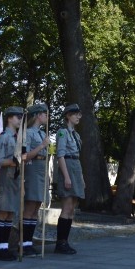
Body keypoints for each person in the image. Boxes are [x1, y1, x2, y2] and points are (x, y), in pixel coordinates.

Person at [0, 106, 24, 261]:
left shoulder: (16, 137)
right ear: (9, 118)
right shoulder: (5, 137)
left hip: (15, 178)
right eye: (18, 117)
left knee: (10, 213)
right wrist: (14, 162)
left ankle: (4, 247)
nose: (20, 120)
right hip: (6, 177)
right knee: (3, 212)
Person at [54, 104, 85, 254]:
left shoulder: (76, 135)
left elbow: (77, 157)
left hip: (75, 167)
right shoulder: (62, 133)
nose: (79, 117)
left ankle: (65, 241)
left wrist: (81, 177)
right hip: (67, 167)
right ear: (67, 116)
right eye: (75, 114)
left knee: (72, 208)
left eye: (79, 114)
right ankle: (60, 243)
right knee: (66, 207)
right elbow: (60, 155)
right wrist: (66, 176)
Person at [22, 103, 51, 256]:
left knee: (36, 207)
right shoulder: (28, 133)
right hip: (32, 170)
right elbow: (25, 156)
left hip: (41, 169)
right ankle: (24, 242)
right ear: (37, 115)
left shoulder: (41, 133)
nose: (46, 117)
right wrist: (42, 146)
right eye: (44, 114)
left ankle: (29, 241)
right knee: (30, 206)